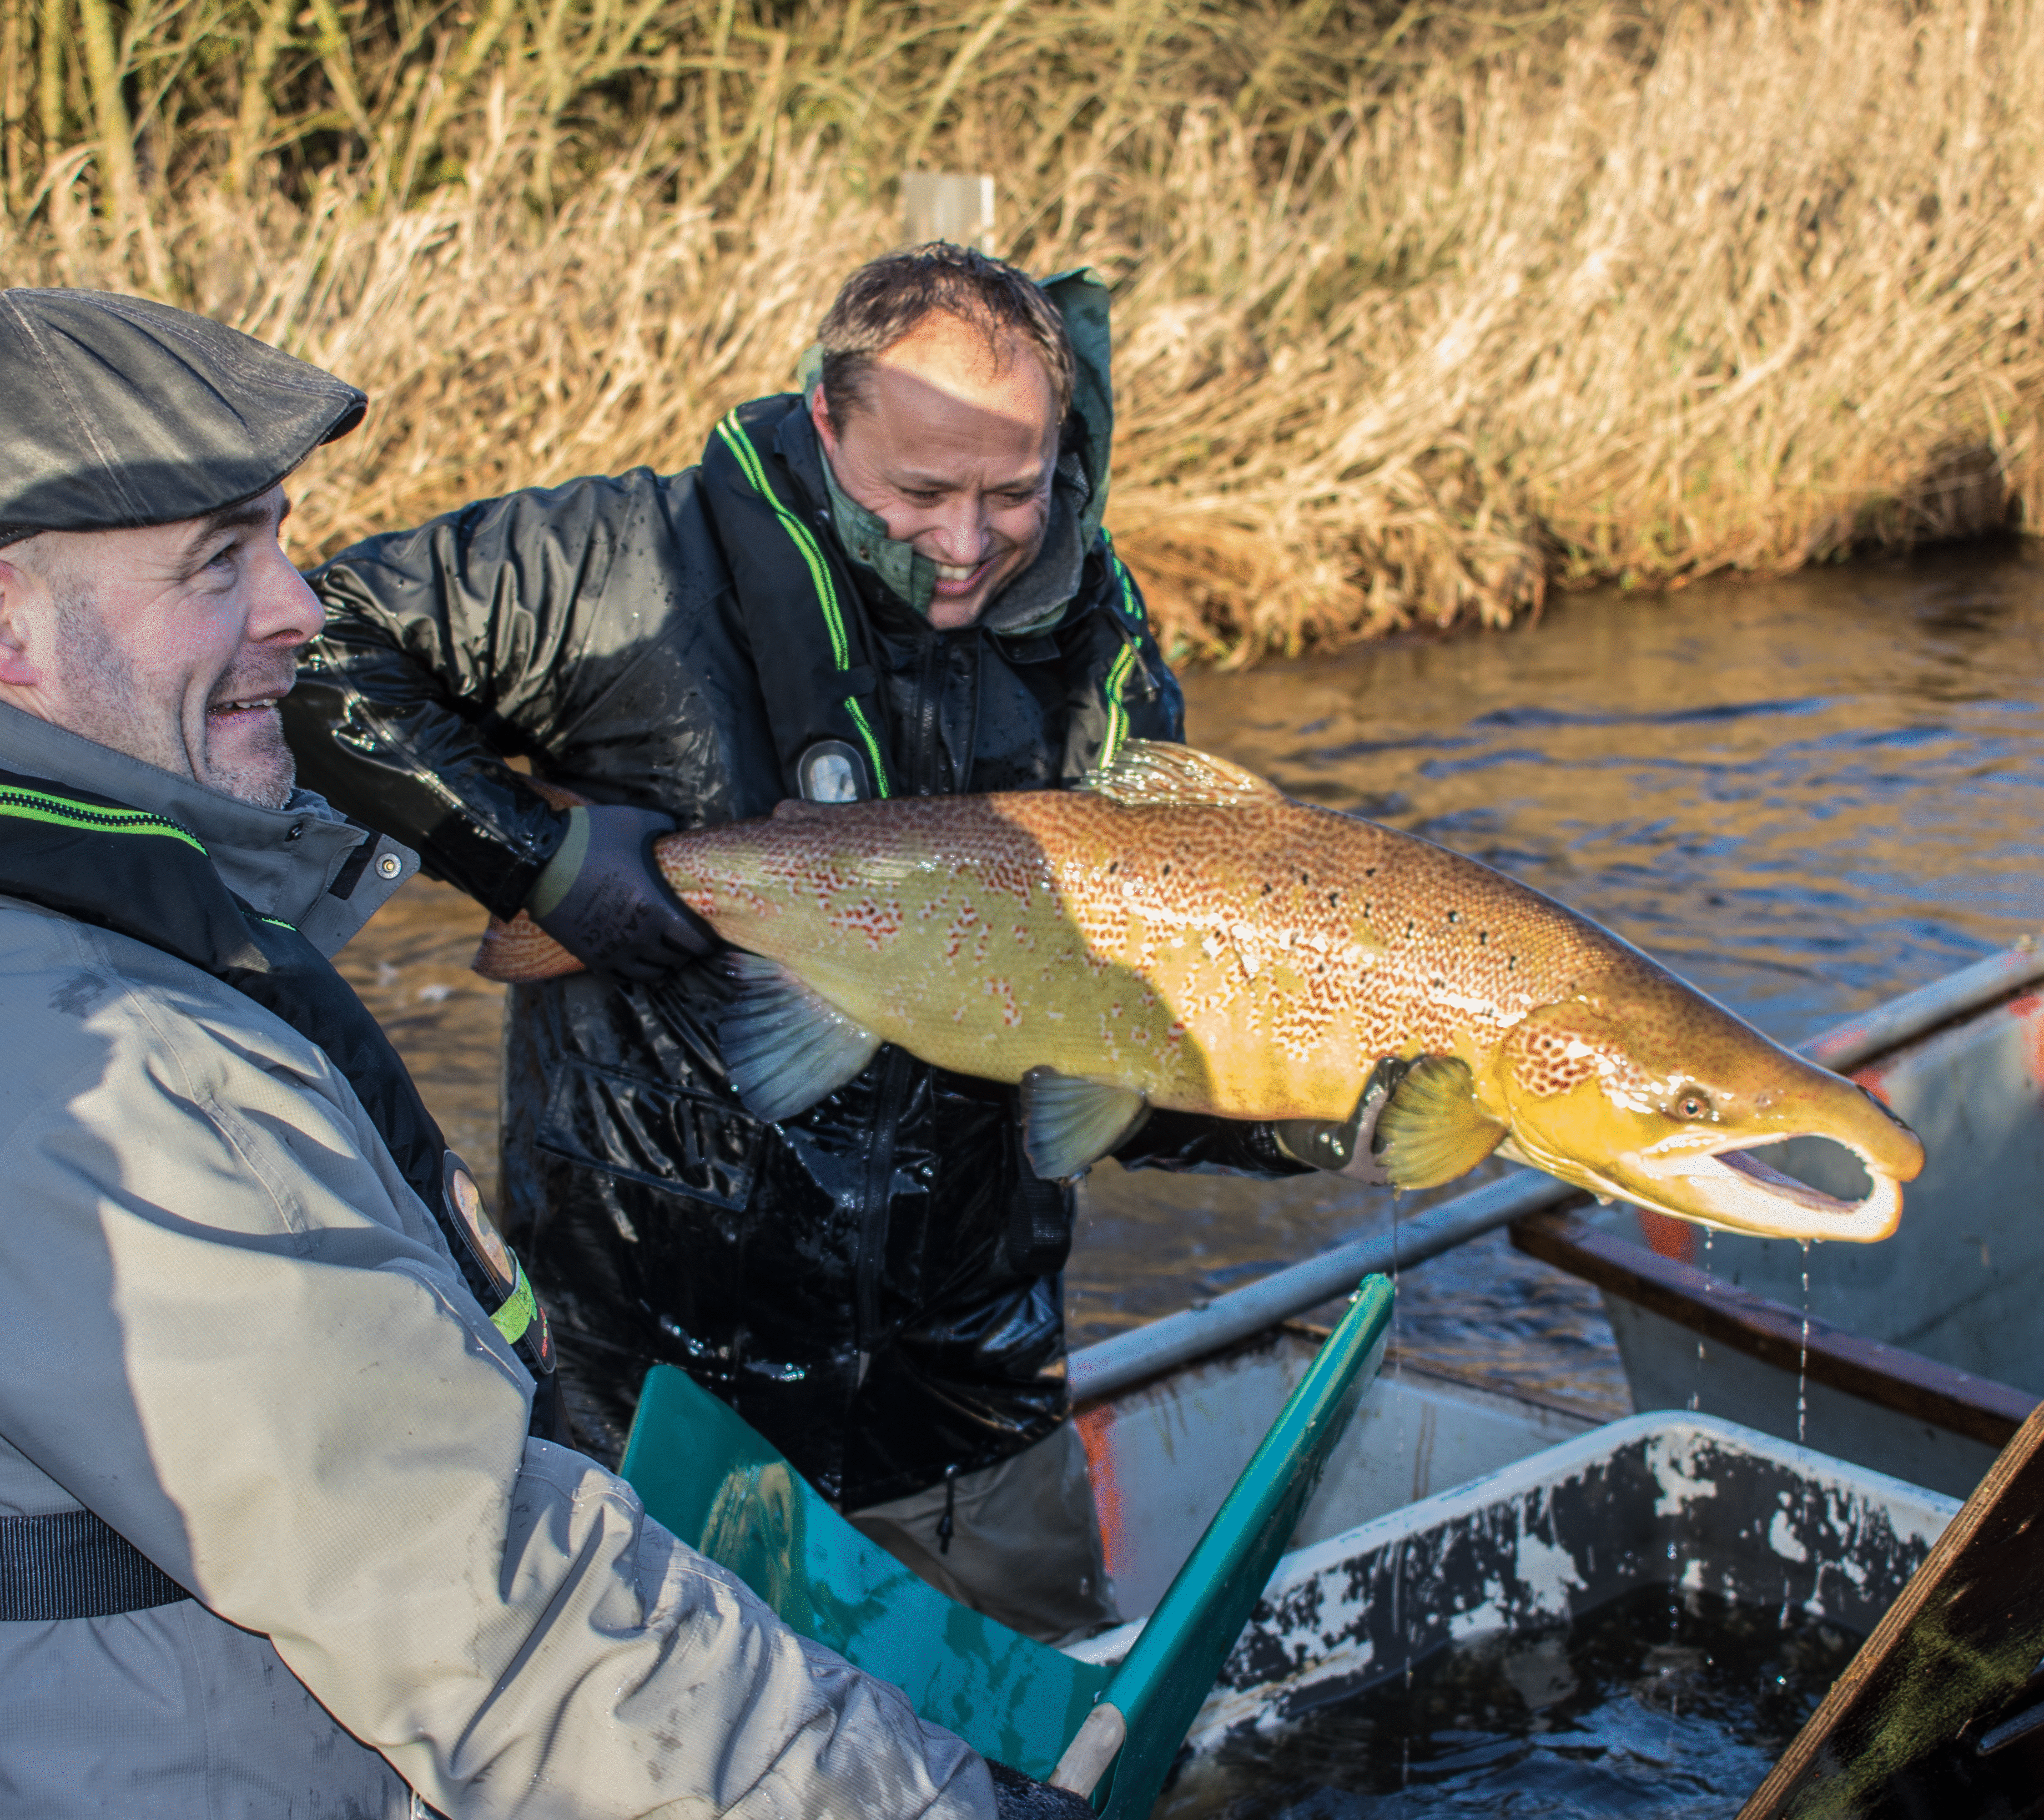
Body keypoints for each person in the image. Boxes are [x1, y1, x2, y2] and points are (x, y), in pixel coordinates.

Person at [0, 288, 1101, 1820]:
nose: (300, 609)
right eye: (216, 565)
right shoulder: (90, 1070)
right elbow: (487, 1612)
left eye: (280, 545)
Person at [286, 245, 1378, 1644]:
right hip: (662, 1381)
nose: (971, 541)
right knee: (695, 1789)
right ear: (825, 419)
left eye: (1015, 491)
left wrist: (1312, 1117)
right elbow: (318, 646)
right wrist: (536, 860)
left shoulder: (1097, 647)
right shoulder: (622, 565)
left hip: (974, 1395)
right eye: (920, 493)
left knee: (1045, 1765)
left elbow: (1119, 1045)